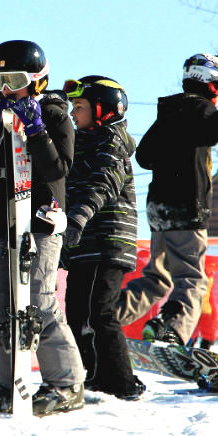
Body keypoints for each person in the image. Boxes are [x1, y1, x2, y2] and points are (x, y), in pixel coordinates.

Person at [0, 40, 86, 416]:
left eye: (14, 79)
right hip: (1, 224)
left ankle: (66, 383)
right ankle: (6, 384)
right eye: (0, 79)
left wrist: (35, 129)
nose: (6, 88)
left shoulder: (53, 114)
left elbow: (58, 169)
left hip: (41, 224)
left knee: (40, 301)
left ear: (36, 79)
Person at [116, 53, 218, 345]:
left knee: (157, 278)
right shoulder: (199, 111)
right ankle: (171, 331)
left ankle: (107, 318)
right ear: (211, 84)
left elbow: (145, 155)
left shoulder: (169, 113)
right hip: (187, 208)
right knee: (192, 279)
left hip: (159, 209)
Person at [60, 76, 144, 400]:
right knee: (76, 311)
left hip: (108, 241)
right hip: (84, 243)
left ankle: (122, 381)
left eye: (79, 108)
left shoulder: (113, 142)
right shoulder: (79, 143)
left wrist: (77, 219)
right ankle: (93, 376)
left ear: (103, 111)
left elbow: (103, 184)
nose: (72, 114)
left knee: (100, 311)